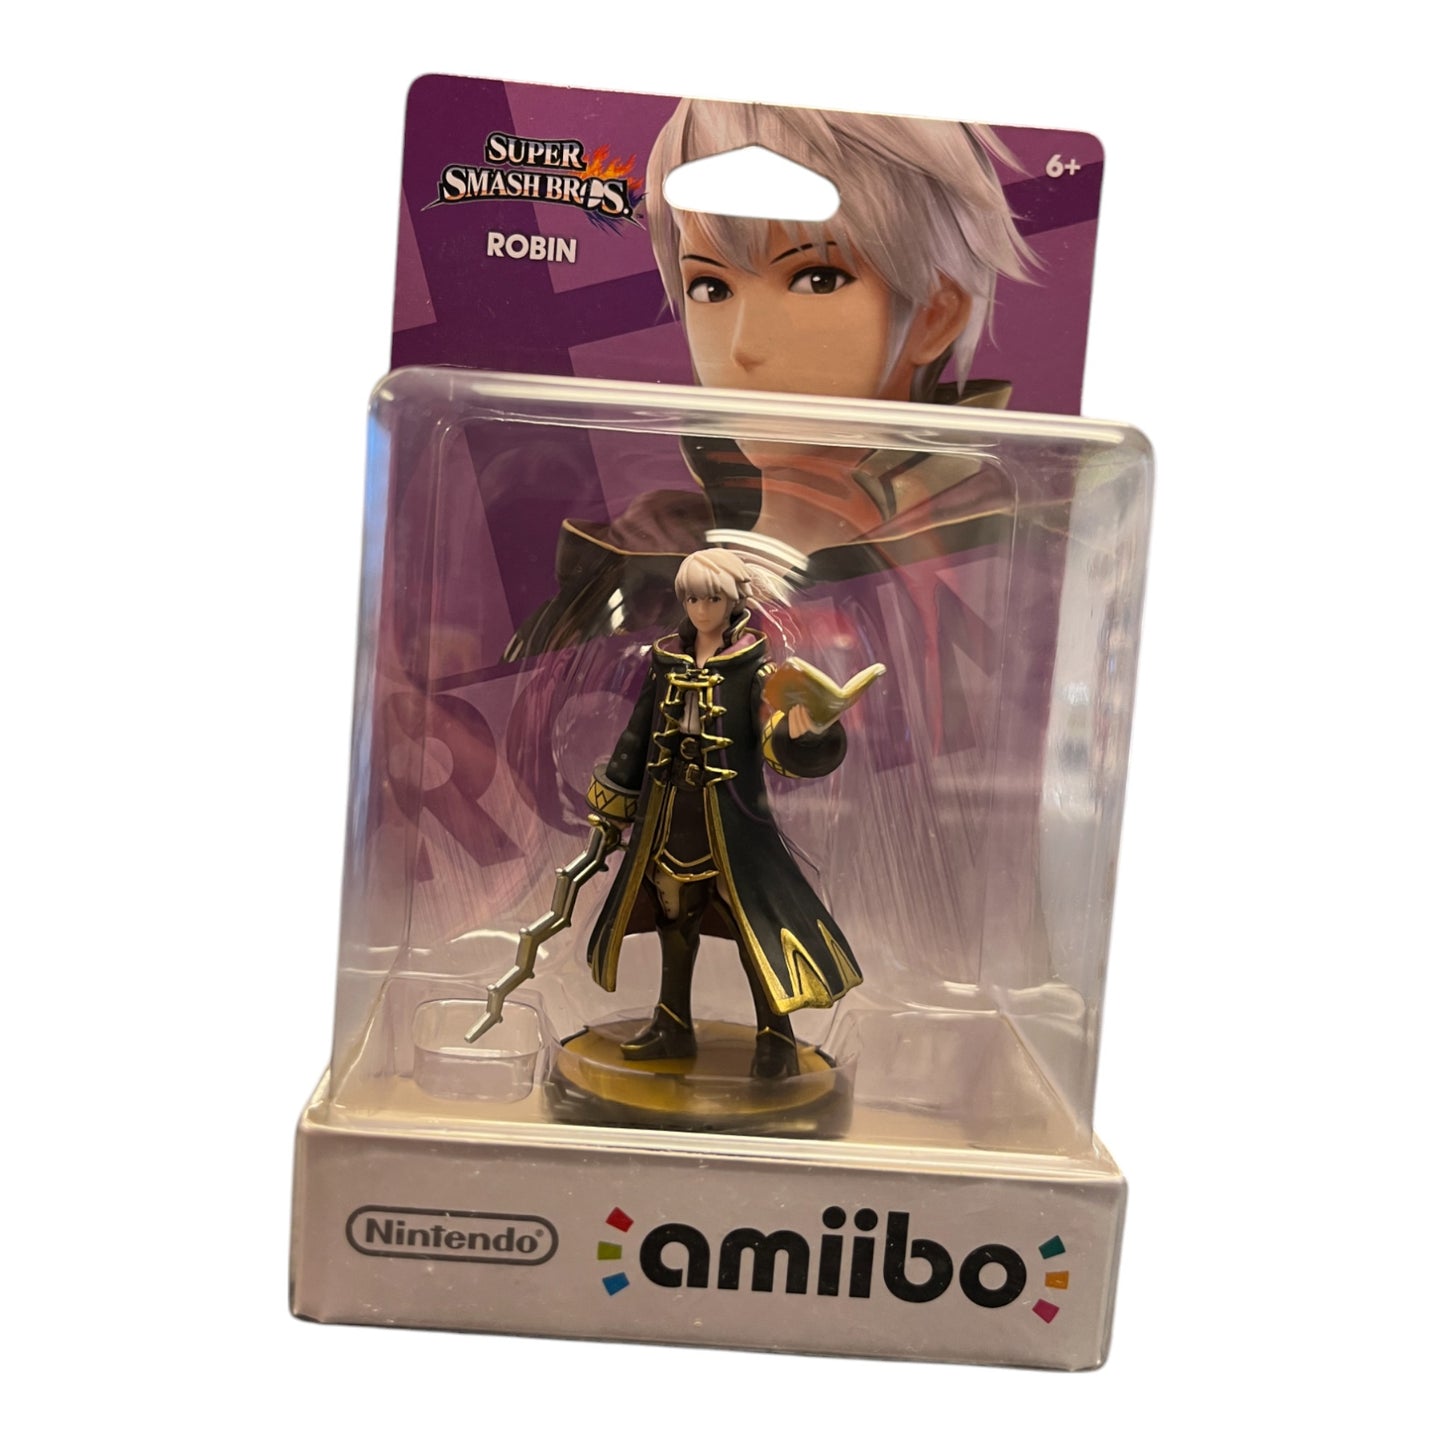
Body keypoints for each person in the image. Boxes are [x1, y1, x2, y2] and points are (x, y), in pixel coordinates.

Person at [507, 99, 1036, 659]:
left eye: (815, 279)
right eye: (710, 287)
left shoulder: (997, 562)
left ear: (935, 314)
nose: (745, 344)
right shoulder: (643, 565)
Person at [583, 549, 867, 1080]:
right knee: (673, 916)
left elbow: (775, 744)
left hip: (732, 822)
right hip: (669, 813)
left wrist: (804, 732)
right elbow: (637, 734)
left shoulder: (753, 670)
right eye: (692, 598)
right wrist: (614, 803)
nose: (700, 609)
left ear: (733, 601)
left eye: (711, 598)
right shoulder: (666, 661)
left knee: (751, 924)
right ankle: (671, 1024)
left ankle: (775, 1037)